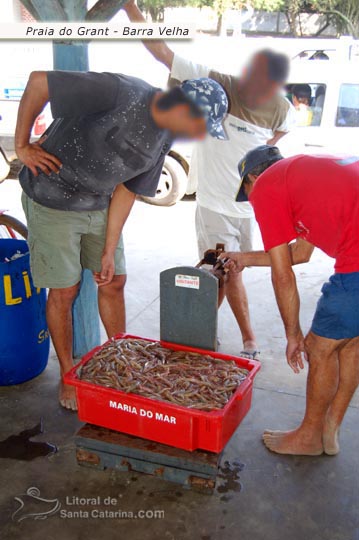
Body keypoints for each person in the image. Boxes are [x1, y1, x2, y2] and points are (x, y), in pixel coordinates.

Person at [16, 70, 228, 410]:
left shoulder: (165, 136)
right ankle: (69, 375)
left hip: (98, 203)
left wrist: (109, 249)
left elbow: (127, 189)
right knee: (65, 290)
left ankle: (122, 361)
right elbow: (39, 81)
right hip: (51, 196)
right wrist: (21, 145)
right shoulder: (121, 92)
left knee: (113, 279)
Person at [123, 0, 296, 357]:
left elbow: (275, 142)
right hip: (214, 205)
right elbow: (162, 52)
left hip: (251, 209)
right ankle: (243, 338)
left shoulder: (281, 108)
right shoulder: (217, 83)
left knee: (228, 272)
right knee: (223, 271)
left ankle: (197, 332)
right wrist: (129, 8)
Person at [222, 145, 359, 456]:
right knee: (350, 344)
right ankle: (329, 430)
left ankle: (309, 436)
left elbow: (283, 275)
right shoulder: (306, 175)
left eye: (247, 189)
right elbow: (299, 253)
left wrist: (294, 335)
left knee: (320, 347)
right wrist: (243, 258)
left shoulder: (267, 185)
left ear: (253, 177)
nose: (252, 199)